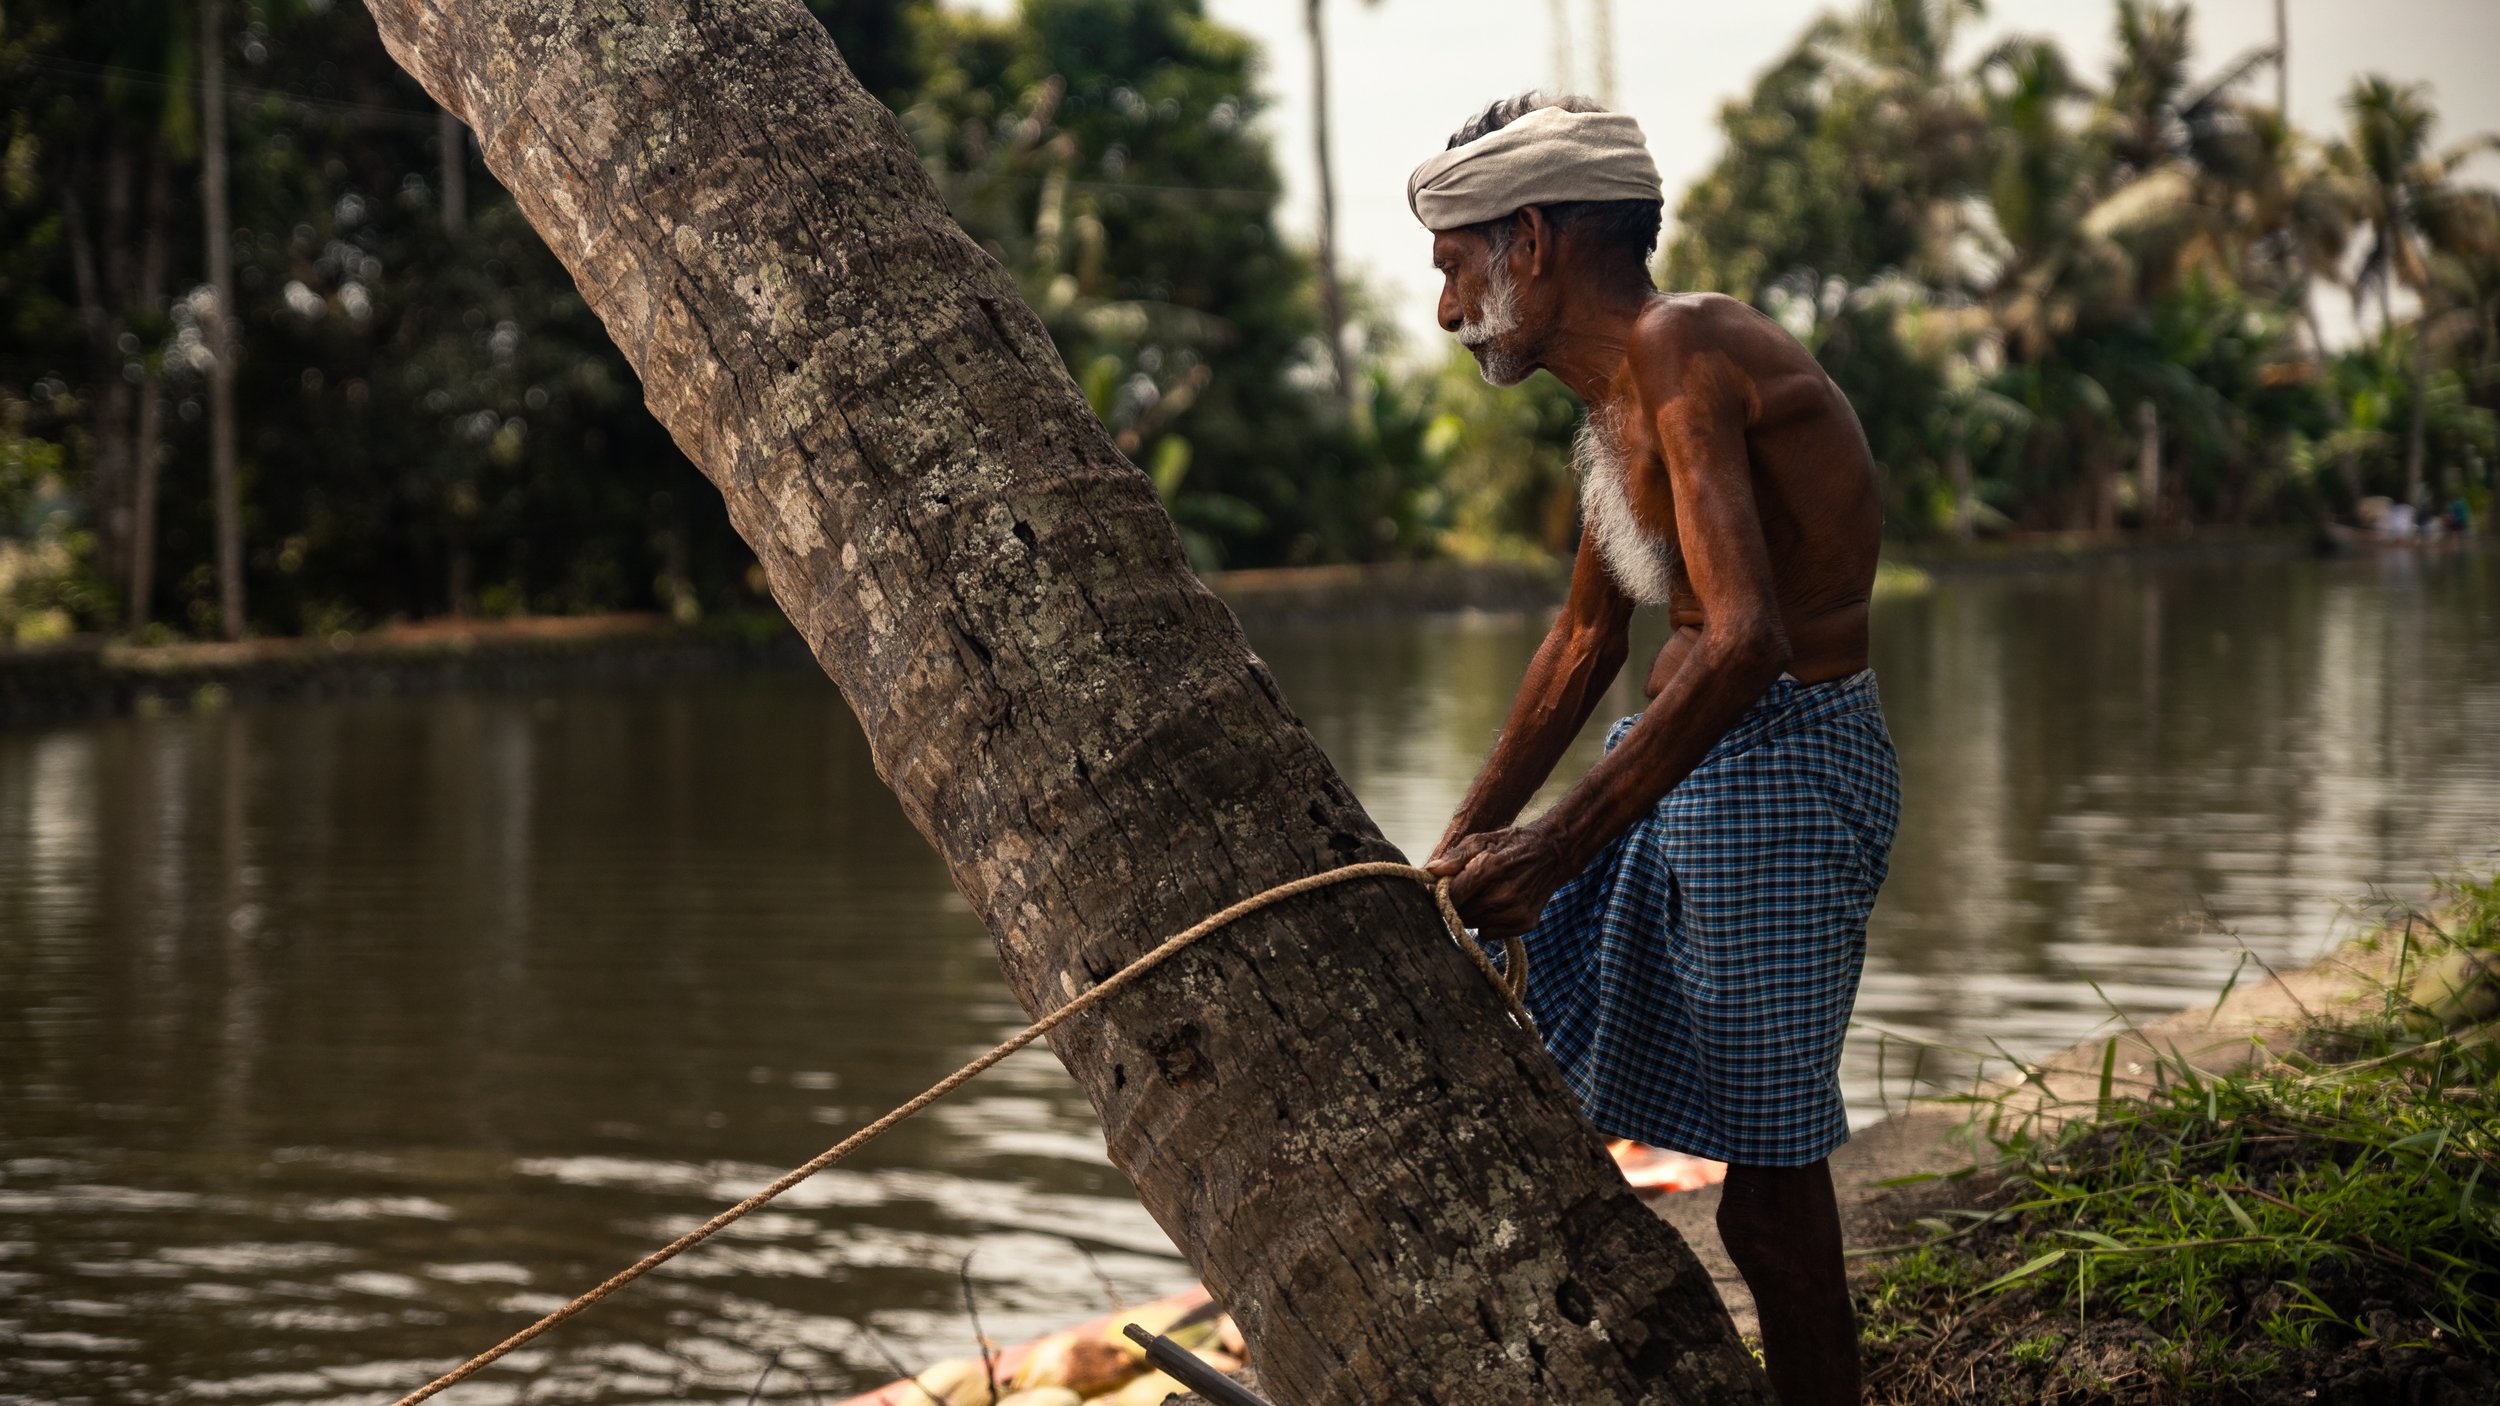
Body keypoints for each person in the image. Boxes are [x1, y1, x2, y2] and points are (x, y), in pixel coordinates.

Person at [1412, 92, 1899, 1406]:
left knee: (1770, 1201)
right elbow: (1584, 643)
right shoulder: (1622, 404)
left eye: (1456, 266)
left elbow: (1744, 643)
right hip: (1687, 766)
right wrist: (1458, 845)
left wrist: (1562, 838)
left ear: (1531, 239)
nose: (1449, 310)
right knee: (1521, 1072)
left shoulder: (1687, 344)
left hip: (1786, 770)